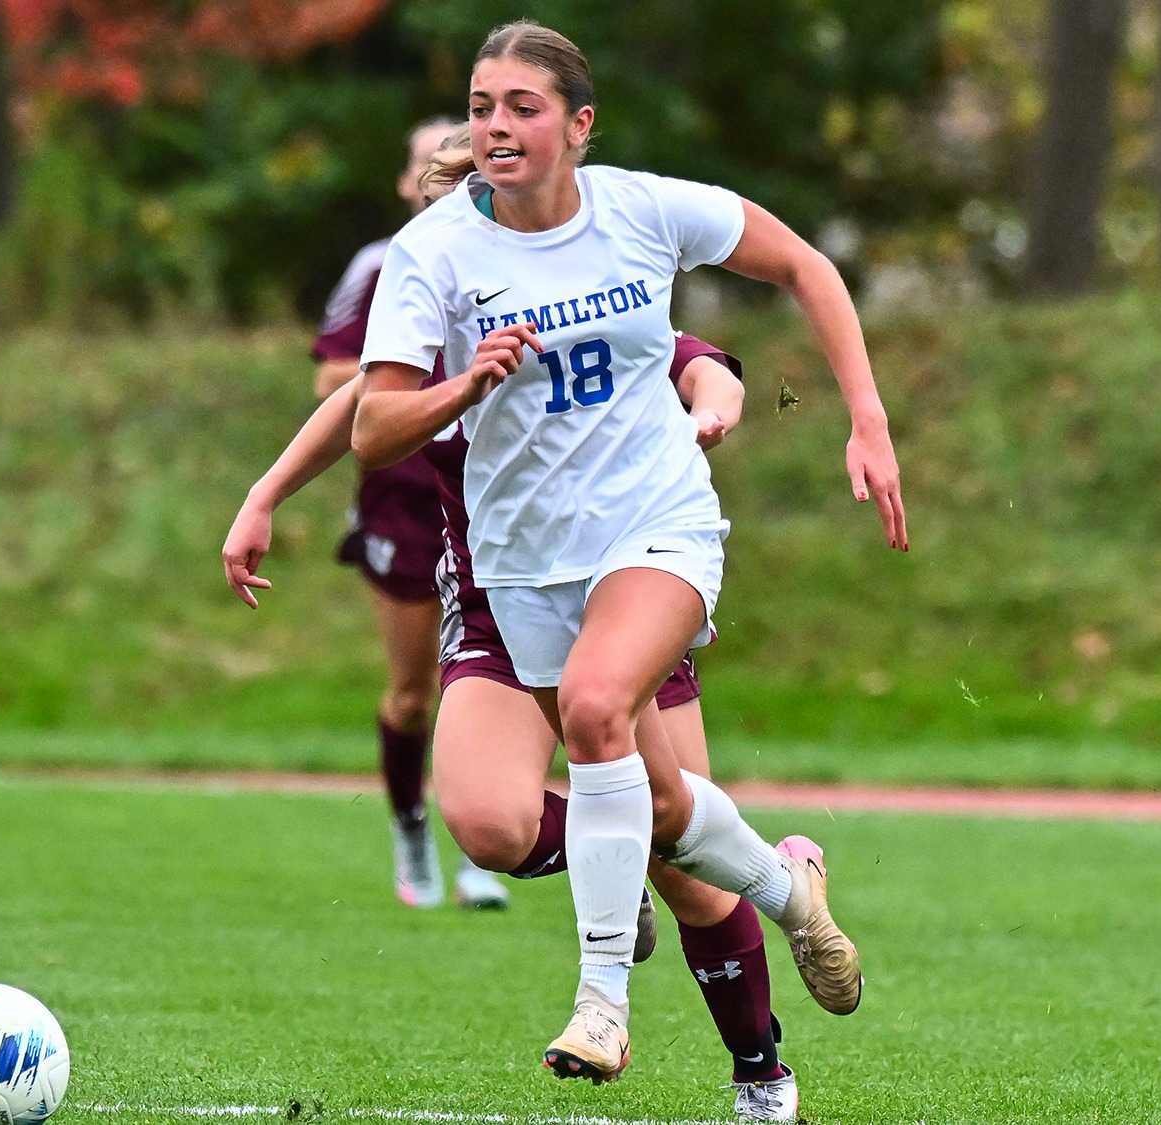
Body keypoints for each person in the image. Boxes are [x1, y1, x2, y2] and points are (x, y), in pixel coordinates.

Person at [352, 18, 905, 1089]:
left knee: (598, 709)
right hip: (519, 565)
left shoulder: (643, 208)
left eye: (521, 106)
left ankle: (602, 1007)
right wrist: (463, 386)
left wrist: (865, 418)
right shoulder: (433, 253)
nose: (497, 126)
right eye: (480, 106)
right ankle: (790, 892)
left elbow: (803, 264)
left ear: (579, 124)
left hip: (656, 528)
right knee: (627, 811)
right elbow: (373, 428)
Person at [225, 321, 803, 1122]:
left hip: (621, 601)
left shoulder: (579, 280)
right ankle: (624, 859)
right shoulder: (428, 311)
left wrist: (709, 405)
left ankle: (761, 1071)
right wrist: (265, 495)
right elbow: (363, 405)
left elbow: (701, 362)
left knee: (685, 862)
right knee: (490, 825)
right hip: (499, 614)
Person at [310, 117, 508, 911]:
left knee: (494, 683)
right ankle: (411, 825)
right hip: (404, 502)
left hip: (492, 504)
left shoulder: (518, 256)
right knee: (414, 691)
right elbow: (334, 385)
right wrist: (415, 388)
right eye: (430, 168)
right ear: (405, 183)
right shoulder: (382, 265)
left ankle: (481, 851)